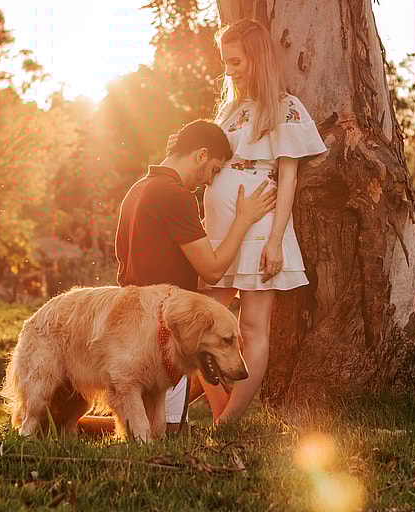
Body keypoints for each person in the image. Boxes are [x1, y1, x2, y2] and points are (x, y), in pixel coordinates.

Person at [169, 19, 327, 425]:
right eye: (226, 62)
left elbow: (288, 178)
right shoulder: (232, 110)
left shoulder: (287, 108)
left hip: (259, 225)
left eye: (236, 61)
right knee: (200, 321)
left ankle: (228, 422)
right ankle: (212, 412)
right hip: (219, 228)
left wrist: (275, 241)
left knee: (253, 327)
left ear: (257, 59)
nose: (229, 70)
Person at [76, 118, 276, 435]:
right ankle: (70, 428)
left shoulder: (137, 189)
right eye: (212, 170)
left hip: (128, 322)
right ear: (199, 155)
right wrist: (244, 219)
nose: (207, 182)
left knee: (145, 411)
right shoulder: (176, 196)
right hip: (158, 331)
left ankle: (68, 426)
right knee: (167, 430)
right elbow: (211, 268)